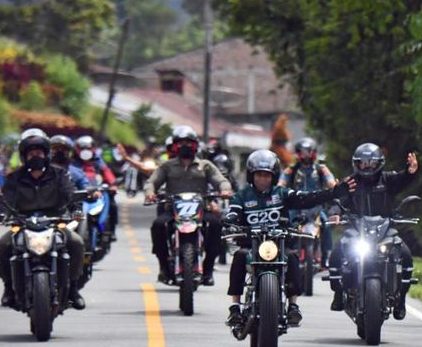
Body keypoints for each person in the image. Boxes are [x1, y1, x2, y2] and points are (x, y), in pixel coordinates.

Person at [225, 149, 355, 327]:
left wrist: (334, 192)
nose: (263, 179)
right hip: (252, 245)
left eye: (267, 175)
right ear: (251, 176)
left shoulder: (282, 193)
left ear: (274, 176)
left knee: (293, 257)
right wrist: (230, 219)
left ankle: (293, 305)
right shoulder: (241, 196)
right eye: (259, 175)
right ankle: (234, 307)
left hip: (278, 245)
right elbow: (233, 211)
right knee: (239, 256)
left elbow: (309, 198)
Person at [0, 129, 87, 310]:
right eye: (31, 153)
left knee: (76, 243)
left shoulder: (60, 175)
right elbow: (6, 200)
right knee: (2, 246)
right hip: (22, 223)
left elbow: (70, 195)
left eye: (39, 153)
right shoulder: (14, 178)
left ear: (46, 154)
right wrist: (2, 214)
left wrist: (76, 210)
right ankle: (8, 289)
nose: (35, 156)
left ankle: (74, 289)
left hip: (55, 222)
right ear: (24, 156)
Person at [327, 143, 418, 319]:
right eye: (363, 163)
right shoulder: (351, 182)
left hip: (385, 230)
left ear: (379, 163)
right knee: (336, 254)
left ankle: (401, 301)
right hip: (357, 230)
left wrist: (410, 172)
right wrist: (335, 214)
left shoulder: (388, 179)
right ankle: (338, 294)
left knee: (405, 255)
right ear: (357, 164)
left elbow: (403, 179)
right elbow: (339, 201)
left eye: (372, 162)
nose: (368, 166)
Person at [144, 126, 232, 286]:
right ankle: (163, 267)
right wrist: (150, 192)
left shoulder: (206, 165)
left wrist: (225, 190)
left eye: (189, 143)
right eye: (181, 143)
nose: (185, 146)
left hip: (201, 210)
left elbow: (221, 180)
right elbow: (152, 181)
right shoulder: (167, 166)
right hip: (173, 210)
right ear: (175, 146)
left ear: (195, 145)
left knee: (216, 224)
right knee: (158, 225)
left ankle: (209, 269)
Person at [278, 137, 337, 267]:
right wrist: (281, 191)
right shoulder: (291, 169)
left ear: (313, 152)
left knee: (326, 225)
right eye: (302, 151)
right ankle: (286, 254)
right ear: (298, 152)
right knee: (288, 226)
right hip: (296, 206)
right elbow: (280, 184)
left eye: (308, 151)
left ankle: (326, 256)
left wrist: (334, 189)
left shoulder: (321, 168)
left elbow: (331, 181)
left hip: (316, 207)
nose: (305, 154)